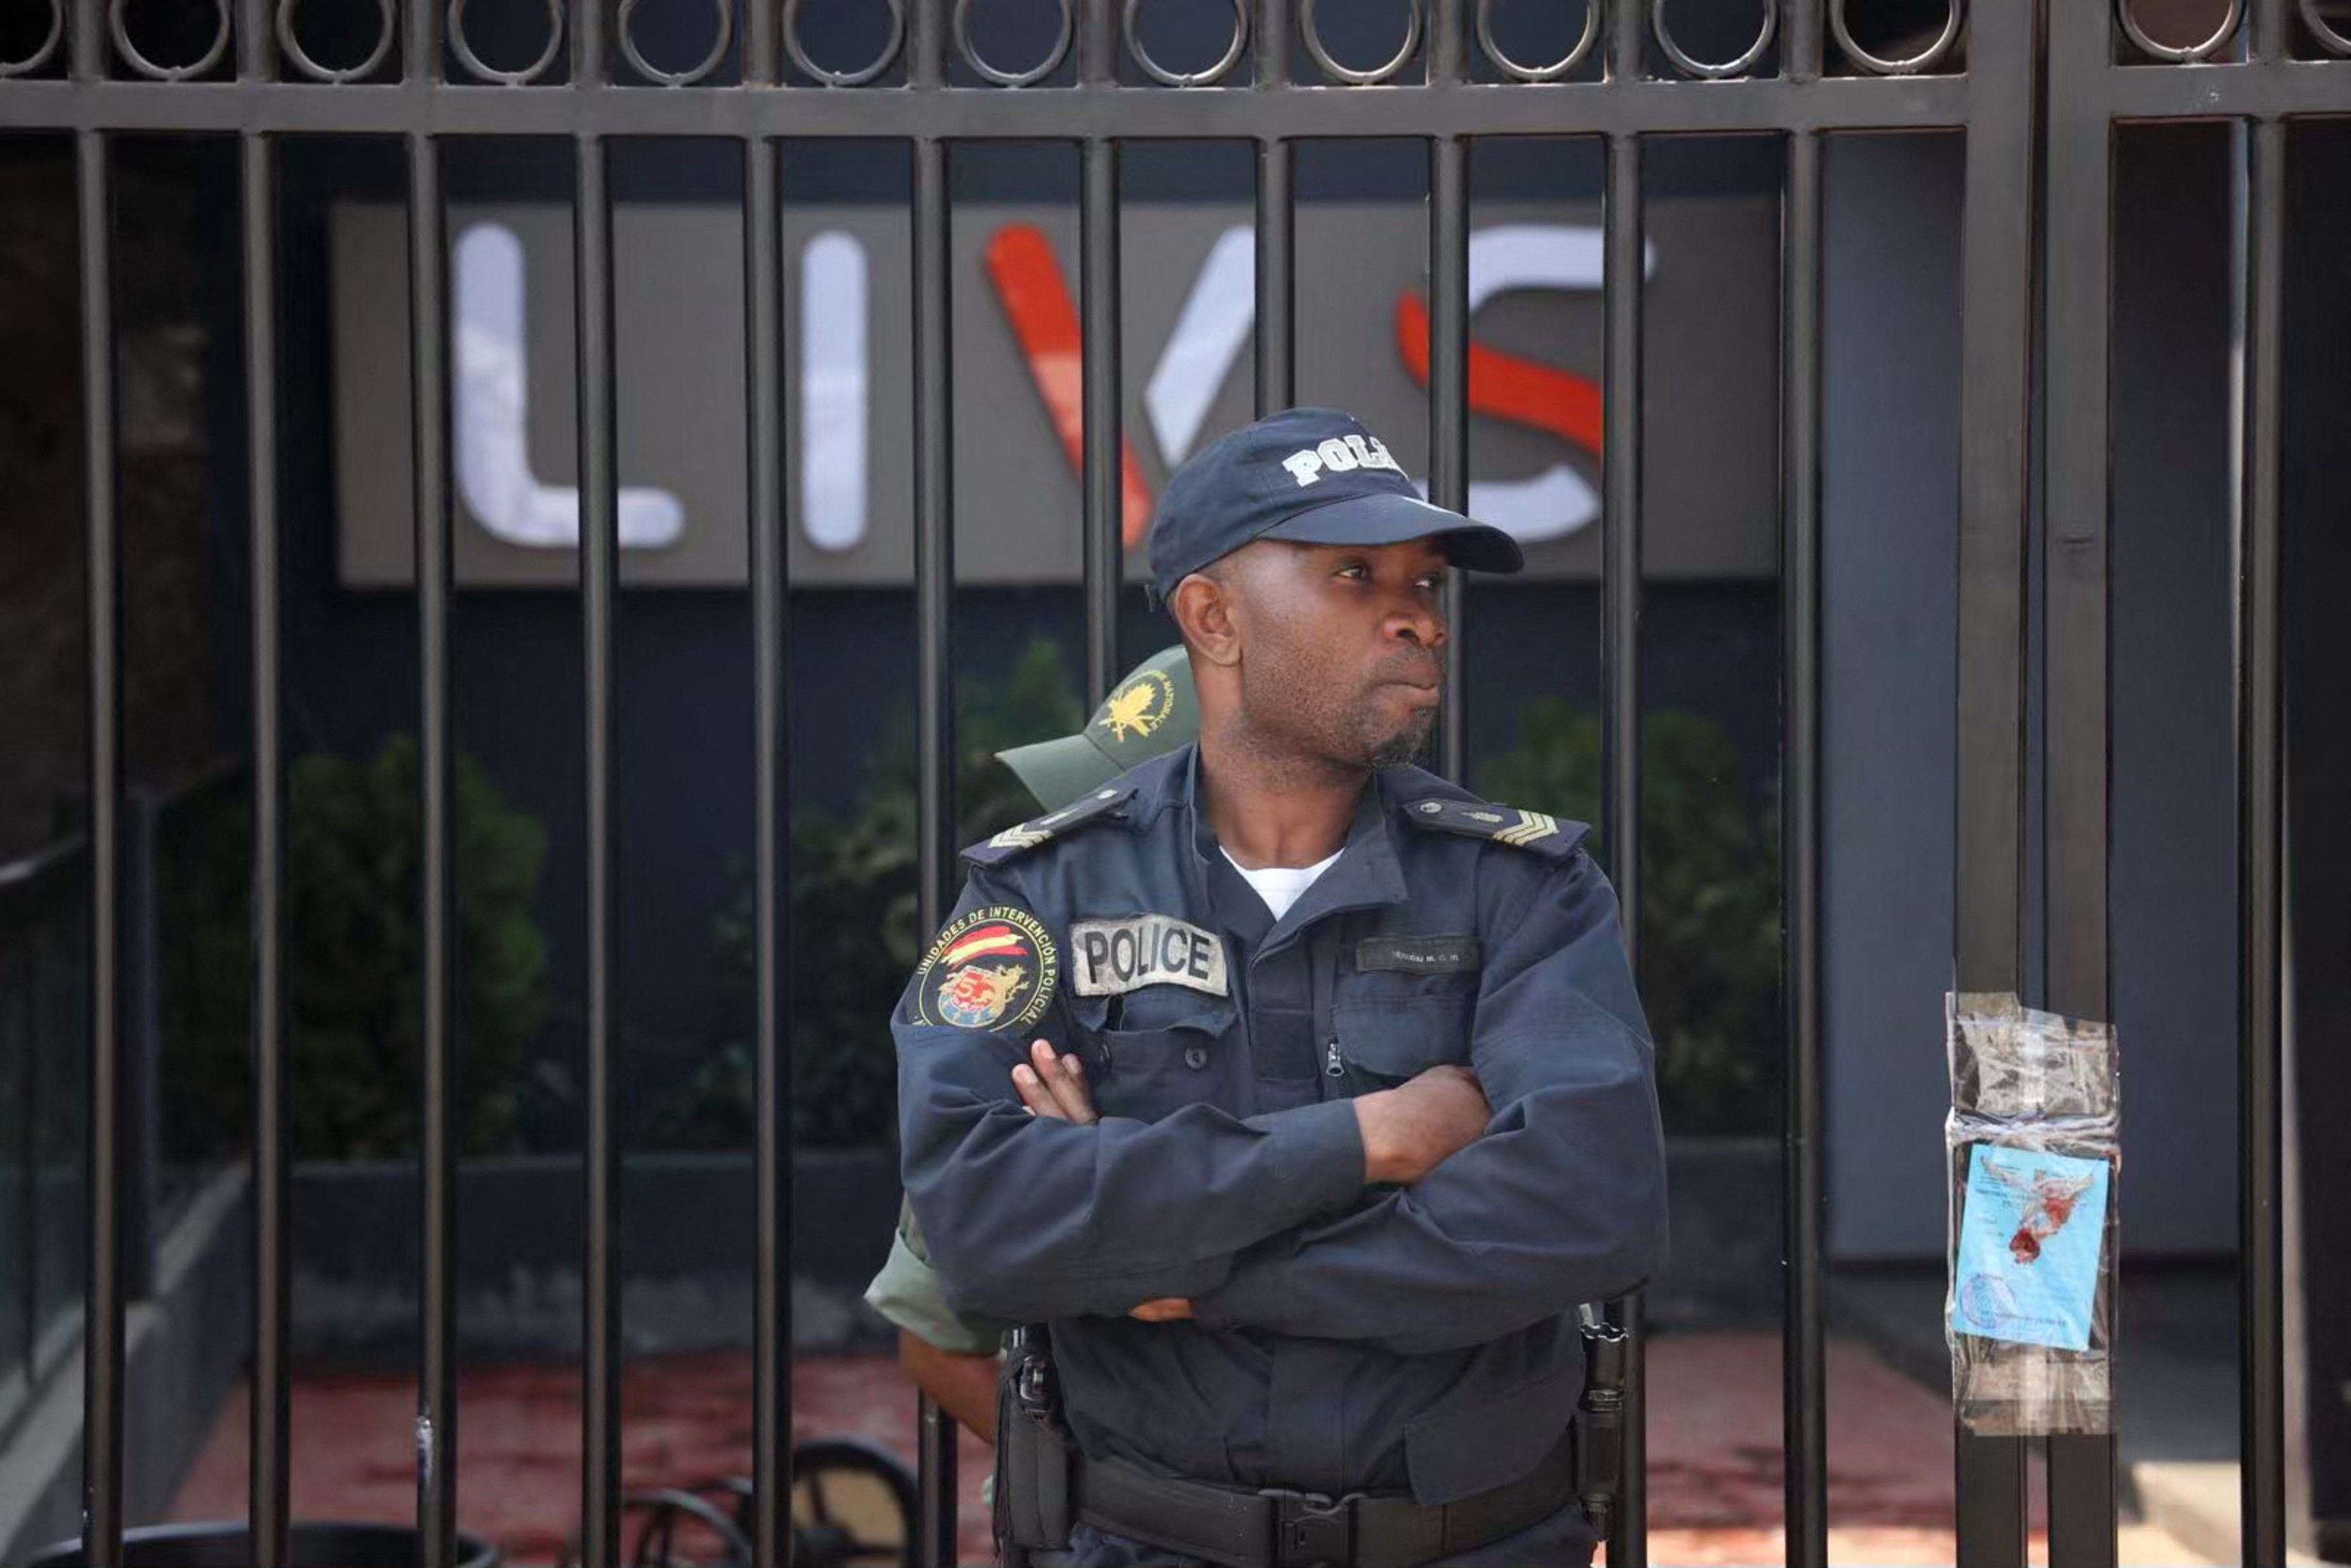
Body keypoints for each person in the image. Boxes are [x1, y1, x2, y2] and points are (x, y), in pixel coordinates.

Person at [891, 408, 1669, 1567]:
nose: (1415, 615)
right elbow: (984, 1228)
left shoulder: (1526, 890)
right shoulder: (1042, 896)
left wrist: (1179, 1271)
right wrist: (1371, 1139)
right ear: (1213, 619)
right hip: (1146, 1543)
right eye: (1355, 574)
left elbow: (1588, 1206)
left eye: (1425, 583)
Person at [864, 645, 1205, 1443]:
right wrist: (1095, 1494)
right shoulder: (1045, 1048)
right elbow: (935, 1342)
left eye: (1120, 817)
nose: (1077, 846)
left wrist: (1113, 1189)